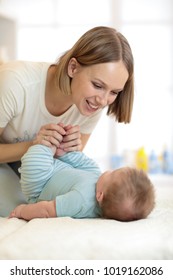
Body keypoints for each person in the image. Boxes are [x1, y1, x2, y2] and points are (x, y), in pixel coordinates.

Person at [0, 25, 134, 173]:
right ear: (73, 68)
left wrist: (67, 153)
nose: (103, 101)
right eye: (97, 85)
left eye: (114, 92)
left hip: (30, 175)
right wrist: (33, 146)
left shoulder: (93, 103)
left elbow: (62, 168)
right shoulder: (15, 82)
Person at [9, 144, 155, 222]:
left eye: (112, 173)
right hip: (60, 170)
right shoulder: (100, 183)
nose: (109, 170)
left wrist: (22, 211)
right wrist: (64, 154)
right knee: (88, 165)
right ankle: (57, 151)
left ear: (99, 196)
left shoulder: (80, 201)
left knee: (35, 156)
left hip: (40, 184)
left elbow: (48, 210)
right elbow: (86, 165)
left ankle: (43, 147)